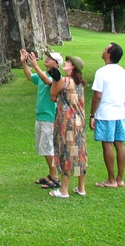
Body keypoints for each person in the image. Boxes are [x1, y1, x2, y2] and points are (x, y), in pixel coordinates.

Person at [90, 42, 125, 188]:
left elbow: (97, 96)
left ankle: (111, 179)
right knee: (119, 144)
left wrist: (92, 115)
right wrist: (124, 113)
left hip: (105, 114)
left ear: (108, 54)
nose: (103, 51)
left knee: (107, 144)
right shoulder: (123, 72)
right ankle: (120, 179)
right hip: (119, 114)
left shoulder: (101, 72)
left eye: (105, 49)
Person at [20, 48, 62, 189]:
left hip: (49, 117)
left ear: (56, 64)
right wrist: (24, 63)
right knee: (44, 147)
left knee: (48, 147)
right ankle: (51, 174)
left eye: (50, 58)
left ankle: (55, 177)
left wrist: (35, 65)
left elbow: (47, 82)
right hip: (41, 115)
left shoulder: (56, 77)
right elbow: (30, 77)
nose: (47, 59)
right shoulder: (43, 73)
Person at [47, 55, 88, 198]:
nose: (66, 63)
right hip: (79, 121)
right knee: (80, 153)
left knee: (66, 152)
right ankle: (81, 188)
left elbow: (53, 93)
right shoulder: (80, 83)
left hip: (66, 122)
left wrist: (55, 81)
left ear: (73, 67)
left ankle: (64, 190)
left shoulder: (65, 81)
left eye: (69, 62)